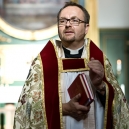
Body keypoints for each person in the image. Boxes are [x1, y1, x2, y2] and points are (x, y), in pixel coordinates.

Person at [13, 2, 129, 129]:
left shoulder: (100, 60)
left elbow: (120, 107)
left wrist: (101, 86)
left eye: (74, 20)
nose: (67, 24)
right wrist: (63, 108)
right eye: (62, 21)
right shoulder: (42, 62)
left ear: (86, 27)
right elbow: (27, 107)